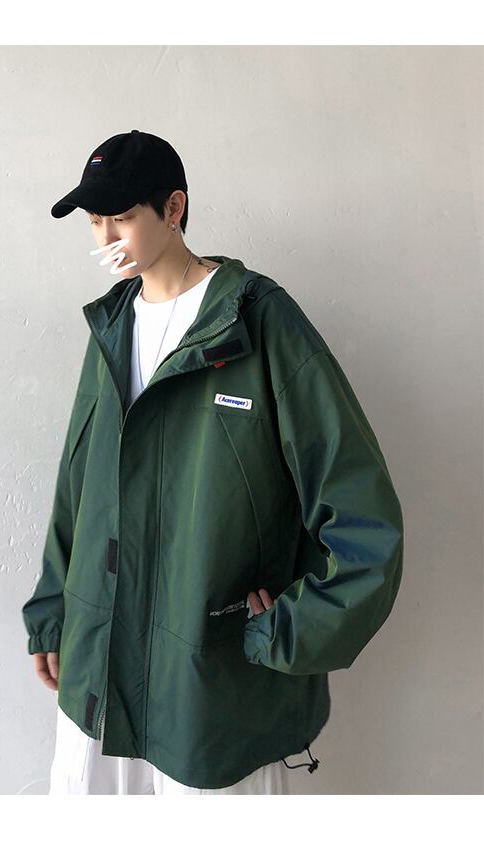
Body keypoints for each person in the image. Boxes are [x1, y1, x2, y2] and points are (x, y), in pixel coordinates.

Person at [22, 130, 404, 795]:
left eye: (122, 217)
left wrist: (288, 630)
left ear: (173, 208)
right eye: (94, 220)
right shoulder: (112, 325)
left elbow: (362, 515)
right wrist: (56, 609)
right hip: (98, 667)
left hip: (210, 686)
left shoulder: (258, 322)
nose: (105, 237)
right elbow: (79, 486)